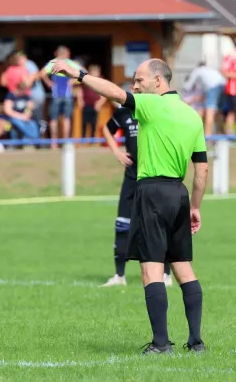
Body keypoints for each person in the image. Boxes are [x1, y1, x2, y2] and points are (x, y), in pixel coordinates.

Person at [51, 58, 208, 355]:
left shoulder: (149, 105)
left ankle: (161, 344)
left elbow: (112, 93)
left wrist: (79, 74)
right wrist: (195, 206)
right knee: (184, 269)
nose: (135, 86)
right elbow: (201, 171)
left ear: (158, 82)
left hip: (151, 193)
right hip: (179, 193)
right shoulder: (192, 116)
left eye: (140, 79)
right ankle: (196, 341)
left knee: (150, 271)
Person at [101, 84, 172, 288]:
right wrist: (116, 152)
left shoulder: (156, 110)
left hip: (155, 177)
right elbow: (107, 128)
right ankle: (119, 276)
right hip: (132, 177)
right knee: (122, 225)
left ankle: (166, 275)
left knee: (159, 226)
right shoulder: (123, 112)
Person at [183, 61, 225, 136]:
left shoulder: (198, 70)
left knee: (210, 113)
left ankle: (208, 138)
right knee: (218, 113)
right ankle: (220, 135)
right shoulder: (210, 70)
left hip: (213, 88)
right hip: (223, 86)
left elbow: (187, 86)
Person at [77, 65, 106, 139]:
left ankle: (92, 141)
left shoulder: (101, 81)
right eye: (92, 72)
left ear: (99, 73)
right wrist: (80, 101)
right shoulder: (85, 79)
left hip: (95, 106)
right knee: (84, 123)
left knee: (94, 124)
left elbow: (105, 93)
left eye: (96, 72)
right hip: (86, 105)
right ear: (89, 72)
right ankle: (82, 140)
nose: (94, 73)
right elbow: (79, 90)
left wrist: (100, 103)